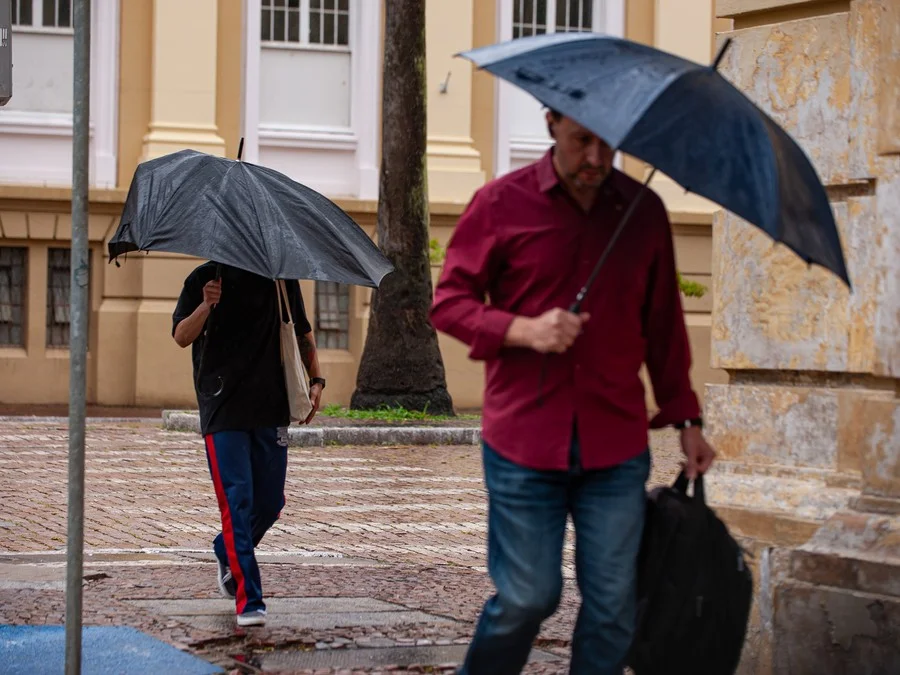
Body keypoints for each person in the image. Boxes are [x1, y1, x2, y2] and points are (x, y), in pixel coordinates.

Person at [430, 110, 717, 674]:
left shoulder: (643, 212)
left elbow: (664, 326)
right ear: (552, 124)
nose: (596, 158)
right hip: (523, 441)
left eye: (608, 144)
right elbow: (449, 303)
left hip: (616, 444)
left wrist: (687, 420)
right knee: (527, 598)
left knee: (613, 607)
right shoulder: (499, 203)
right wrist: (523, 329)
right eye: (582, 140)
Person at [172, 262, 326, 627]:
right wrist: (206, 305)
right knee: (237, 501)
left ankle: (223, 548)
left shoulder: (280, 276)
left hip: (271, 407)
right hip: (222, 408)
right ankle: (249, 600)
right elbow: (181, 336)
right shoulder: (205, 278)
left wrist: (316, 379)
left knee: (270, 503)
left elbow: (301, 331)